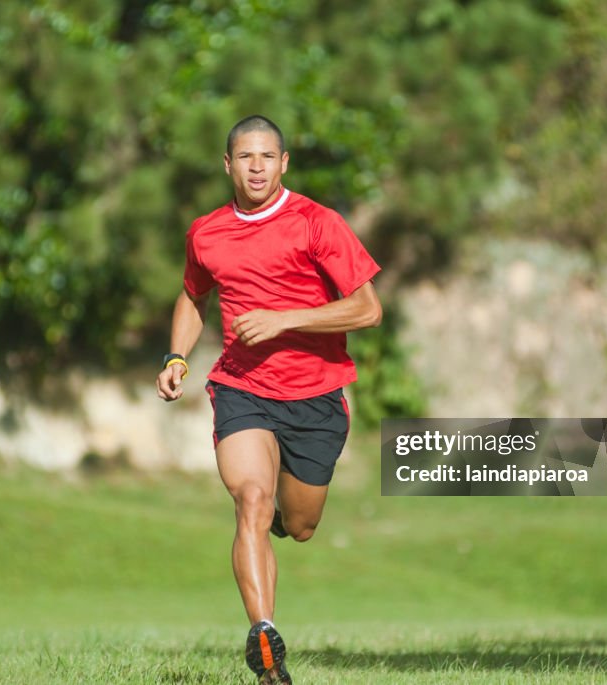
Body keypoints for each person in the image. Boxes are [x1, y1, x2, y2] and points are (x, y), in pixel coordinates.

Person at [156, 115, 382, 685]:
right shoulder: (206, 232)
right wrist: (177, 357)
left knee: (299, 525)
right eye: (244, 157)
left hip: (315, 394)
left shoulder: (316, 223)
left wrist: (287, 321)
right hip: (241, 388)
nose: (255, 167)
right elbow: (192, 293)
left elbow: (367, 308)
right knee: (251, 501)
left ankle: (285, 516)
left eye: (266, 157)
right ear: (227, 164)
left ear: (283, 164)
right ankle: (265, 644)